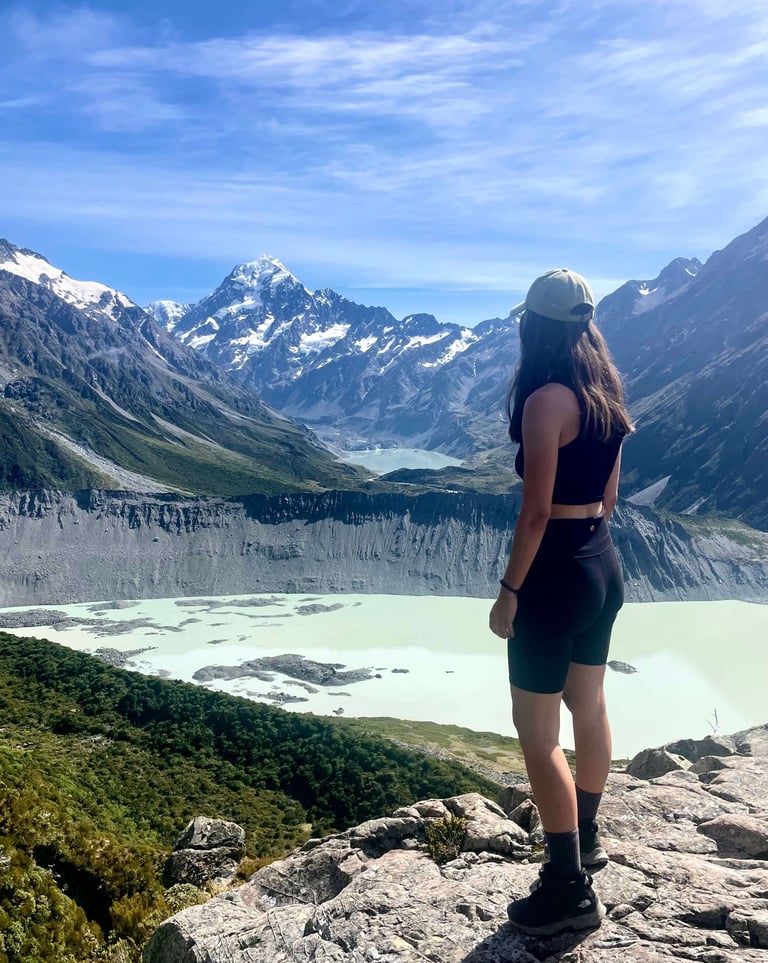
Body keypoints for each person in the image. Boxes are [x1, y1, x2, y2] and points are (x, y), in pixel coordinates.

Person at [489, 268, 633, 936]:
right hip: (602, 561)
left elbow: (536, 510)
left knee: (537, 732)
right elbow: (607, 499)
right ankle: (589, 833)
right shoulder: (605, 393)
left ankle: (567, 886)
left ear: (533, 326)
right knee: (589, 704)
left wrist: (509, 590)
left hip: (553, 576)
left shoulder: (545, 400)